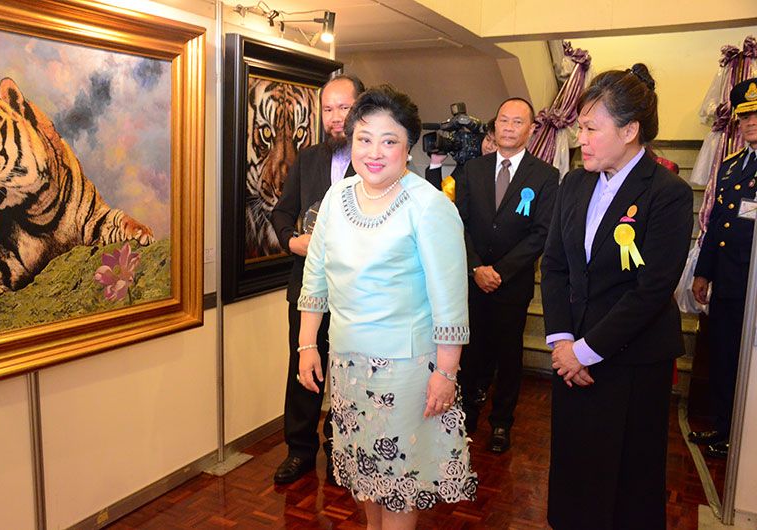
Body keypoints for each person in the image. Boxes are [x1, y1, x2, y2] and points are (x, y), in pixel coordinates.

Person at [296, 85, 477, 528]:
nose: (374, 152)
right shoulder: (337, 199)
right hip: (347, 365)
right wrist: (306, 346)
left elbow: (450, 301)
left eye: (389, 141)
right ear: (352, 140)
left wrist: (447, 373)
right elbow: (315, 274)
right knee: (365, 478)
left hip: (405, 369)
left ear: (408, 147)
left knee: (398, 486)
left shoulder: (428, 206)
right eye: (364, 139)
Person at [541, 64, 693, 529]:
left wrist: (585, 353)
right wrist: (562, 342)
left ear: (630, 130)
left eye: (591, 128)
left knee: (628, 480)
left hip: (630, 360)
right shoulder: (575, 183)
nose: (581, 139)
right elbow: (555, 265)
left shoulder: (668, 193)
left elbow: (650, 290)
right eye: (579, 128)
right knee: (575, 471)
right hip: (572, 357)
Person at [270, 73, 364, 485]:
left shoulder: (374, 159)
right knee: (303, 368)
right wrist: (293, 242)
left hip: (354, 295)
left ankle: (340, 450)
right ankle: (300, 451)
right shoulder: (308, 159)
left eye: (344, 107)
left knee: (347, 373)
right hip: (305, 286)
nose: (335, 117)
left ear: (361, 108)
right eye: (328, 109)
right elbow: (281, 212)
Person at [454, 98, 558, 451]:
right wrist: (476, 267)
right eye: (503, 121)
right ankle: (465, 414)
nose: (509, 127)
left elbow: (541, 233)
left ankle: (501, 422)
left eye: (517, 122)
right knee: (469, 351)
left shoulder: (545, 176)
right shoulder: (472, 170)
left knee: (509, 354)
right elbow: (459, 224)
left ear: (531, 130)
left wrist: (500, 271)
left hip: (511, 284)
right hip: (473, 279)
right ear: (494, 126)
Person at [691, 77, 757, 459]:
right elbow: (718, 224)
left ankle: (744, 438)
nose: (749, 123)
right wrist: (704, 272)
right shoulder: (733, 166)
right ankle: (723, 428)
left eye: (755, 115)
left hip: (753, 286)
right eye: (744, 116)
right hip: (729, 285)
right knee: (723, 358)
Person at [425, 118, 497, 191]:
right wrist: (435, 163)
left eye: (495, 143)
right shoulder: (468, 165)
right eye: (487, 139)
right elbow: (440, 198)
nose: (488, 146)